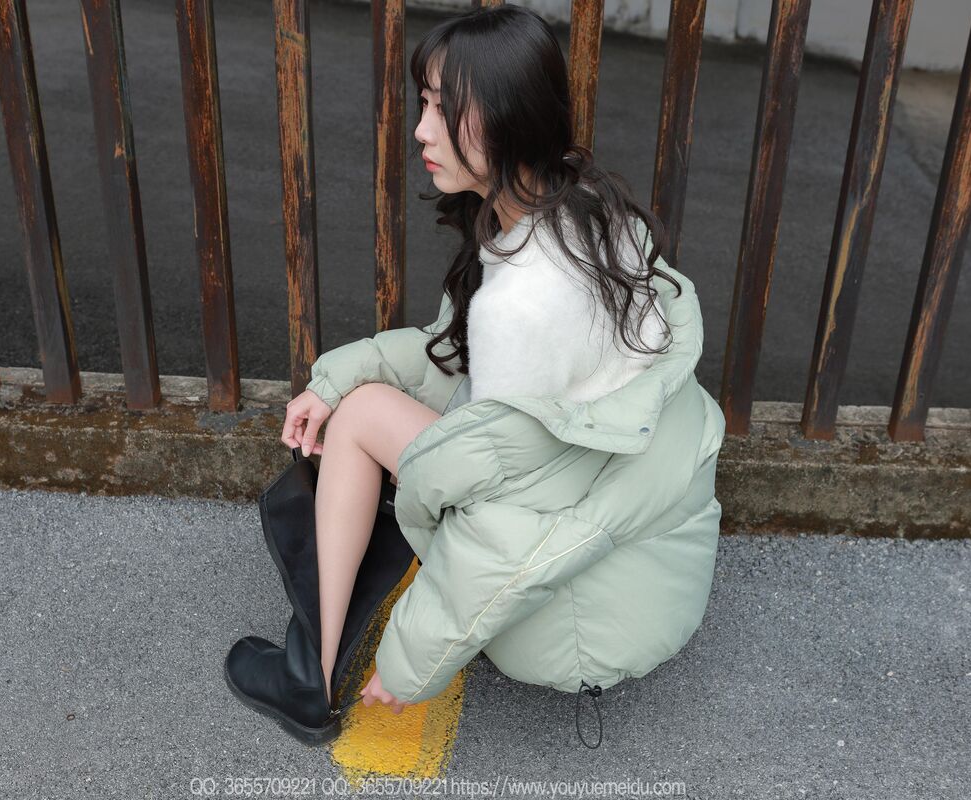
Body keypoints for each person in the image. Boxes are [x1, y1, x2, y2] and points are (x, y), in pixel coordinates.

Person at [227, 3, 725, 750]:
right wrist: (334, 377)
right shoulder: (588, 216)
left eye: (443, 108)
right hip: (646, 582)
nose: (421, 130)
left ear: (507, 116)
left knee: (362, 418)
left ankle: (310, 676)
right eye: (423, 103)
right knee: (360, 399)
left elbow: (505, 529)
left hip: (573, 630)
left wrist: (407, 664)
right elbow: (454, 360)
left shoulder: (521, 304)